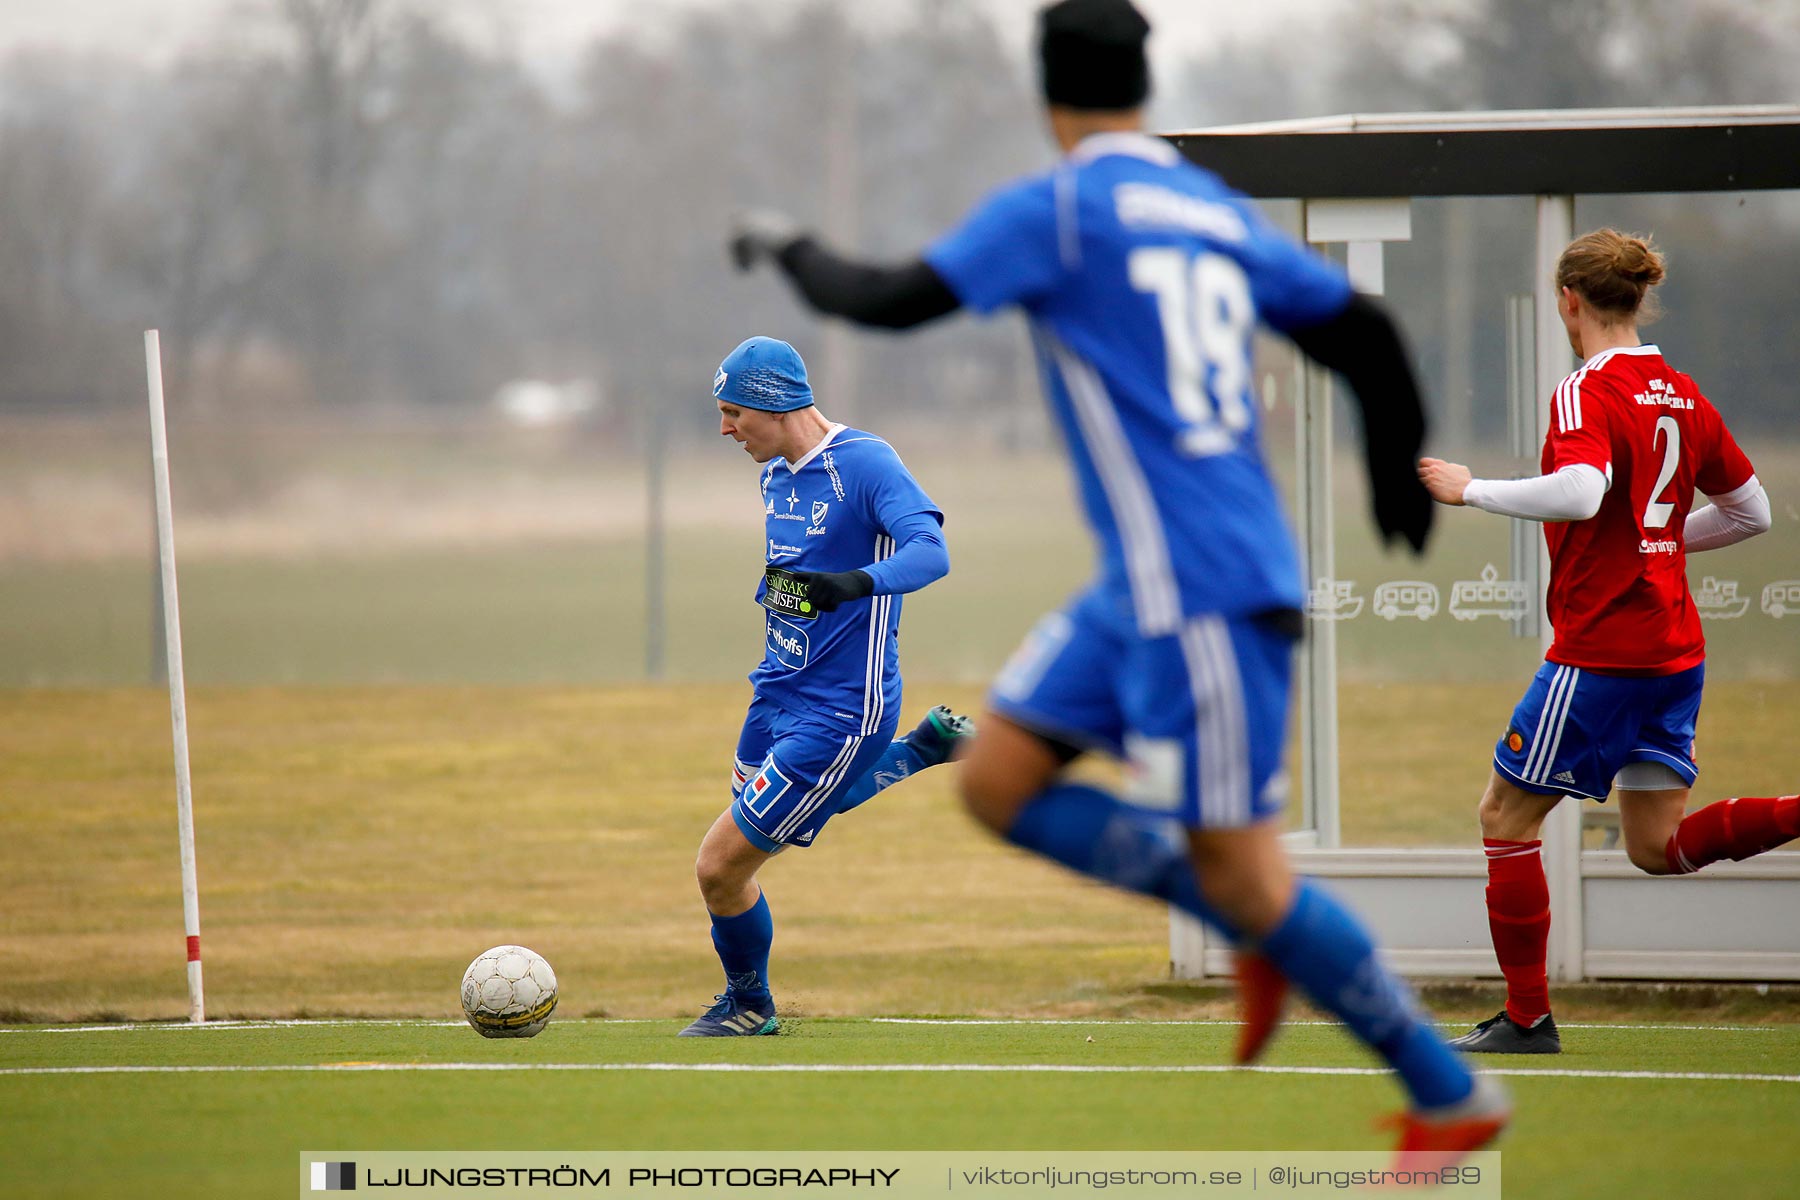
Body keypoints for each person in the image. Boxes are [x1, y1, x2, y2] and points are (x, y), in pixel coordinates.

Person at [729, 0, 1506, 1158]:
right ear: (1145, 86)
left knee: (1246, 876)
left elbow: (885, 299)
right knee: (994, 781)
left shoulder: (1065, 208)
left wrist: (784, 244)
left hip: (1205, 587)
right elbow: (1366, 332)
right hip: (1136, 589)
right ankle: (1247, 921)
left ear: (1049, 98)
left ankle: (1448, 1097)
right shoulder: (1203, 203)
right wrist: (1396, 473)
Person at [1418, 229, 1781, 1054]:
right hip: (1674, 652)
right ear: (1638, 297)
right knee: (1656, 847)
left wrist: (1470, 488)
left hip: (1601, 654)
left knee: (1504, 817)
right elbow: (1750, 511)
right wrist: (1655, 546)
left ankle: (1526, 1019)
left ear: (1567, 302)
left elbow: (1583, 493)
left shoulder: (1586, 391)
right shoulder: (1681, 391)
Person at [681, 335, 973, 1037]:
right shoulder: (776, 475)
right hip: (774, 691)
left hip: (843, 707)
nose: (724, 429)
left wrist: (849, 586)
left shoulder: (865, 463)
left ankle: (750, 1006)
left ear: (771, 405)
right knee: (759, 842)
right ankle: (918, 752)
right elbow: (796, 577)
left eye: (731, 413)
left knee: (721, 865)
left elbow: (931, 553)